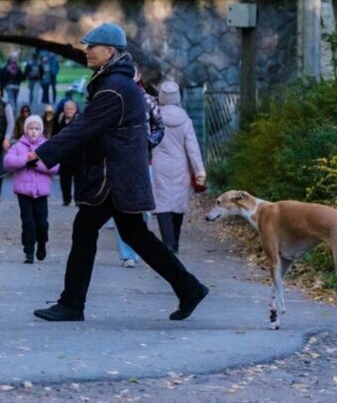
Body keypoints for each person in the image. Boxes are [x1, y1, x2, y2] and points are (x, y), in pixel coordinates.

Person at [26, 22, 208, 323]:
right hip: (117, 175)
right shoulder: (115, 83)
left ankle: (72, 303)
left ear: (109, 51)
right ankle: (188, 287)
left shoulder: (116, 89)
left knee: (90, 230)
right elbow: (87, 127)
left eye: (92, 47)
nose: (86, 51)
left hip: (114, 177)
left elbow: (83, 128)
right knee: (134, 235)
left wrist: (41, 153)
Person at [115, 63, 165, 267]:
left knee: (142, 208)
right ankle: (127, 254)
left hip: (144, 160)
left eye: (132, 72)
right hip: (121, 160)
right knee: (121, 207)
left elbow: (159, 127)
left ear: (138, 75)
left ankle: (143, 248)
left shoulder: (148, 100)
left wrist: (148, 141)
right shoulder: (116, 99)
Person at [151, 81, 206, 253]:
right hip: (181, 165)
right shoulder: (185, 120)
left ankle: (167, 243)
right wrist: (199, 171)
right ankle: (175, 241)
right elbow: (193, 148)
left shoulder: (155, 116)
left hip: (160, 165)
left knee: (162, 203)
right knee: (178, 203)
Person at [4, 115, 59, 264]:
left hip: (41, 193)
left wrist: (36, 164)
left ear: (41, 130)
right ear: (25, 129)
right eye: (30, 128)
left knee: (42, 223)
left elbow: (54, 167)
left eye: (36, 129)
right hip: (24, 192)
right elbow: (8, 162)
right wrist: (24, 159)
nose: (33, 131)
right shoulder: (18, 146)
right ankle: (28, 251)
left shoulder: (46, 146)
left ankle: (41, 243)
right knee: (28, 222)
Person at [52, 99, 83, 206]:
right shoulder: (60, 119)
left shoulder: (80, 119)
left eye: (71, 109)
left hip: (78, 155)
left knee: (79, 179)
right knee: (64, 178)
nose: (69, 111)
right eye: (67, 109)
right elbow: (54, 134)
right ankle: (66, 199)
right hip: (64, 155)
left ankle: (78, 199)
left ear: (75, 110)